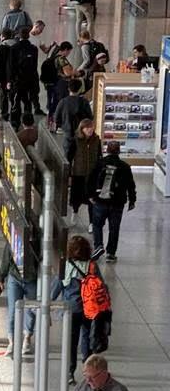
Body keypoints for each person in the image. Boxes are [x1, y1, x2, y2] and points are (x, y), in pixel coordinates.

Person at [52, 235, 100, 368]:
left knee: (71, 342)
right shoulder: (92, 266)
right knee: (87, 337)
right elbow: (100, 286)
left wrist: (49, 302)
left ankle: (70, 370)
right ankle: (88, 366)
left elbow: (56, 287)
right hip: (89, 308)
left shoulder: (65, 267)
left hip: (71, 310)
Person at [87, 141, 137, 261]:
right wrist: (132, 200)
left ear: (107, 150)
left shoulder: (99, 164)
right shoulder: (125, 167)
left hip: (100, 201)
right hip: (117, 202)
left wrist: (90, 195)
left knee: (97, 225)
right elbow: (131, 185)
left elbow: (90, 180)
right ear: (119, 151)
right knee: (114, 228)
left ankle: (98, 246)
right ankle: (110, 253)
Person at [0, 241, 38, 356]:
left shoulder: (37, 241)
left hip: (32, 279)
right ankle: (12, 342)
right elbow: (6, 259)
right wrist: (1, 279)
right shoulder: (13, 239)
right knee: (13, 311)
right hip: (15, 278)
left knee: (31, 310)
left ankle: (27, 338)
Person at [67, 119, 102, 222]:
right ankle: (75, 212)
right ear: (82, 129)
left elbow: (99, 155)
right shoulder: (76, 140)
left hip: (92, 174)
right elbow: (69, 157)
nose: (90, 130)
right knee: (77, 197)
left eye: (91, 127)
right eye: (87, 128)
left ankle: (91, 222)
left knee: (92, 198)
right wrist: (69, 173)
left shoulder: (96, 140)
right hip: (79, 174)